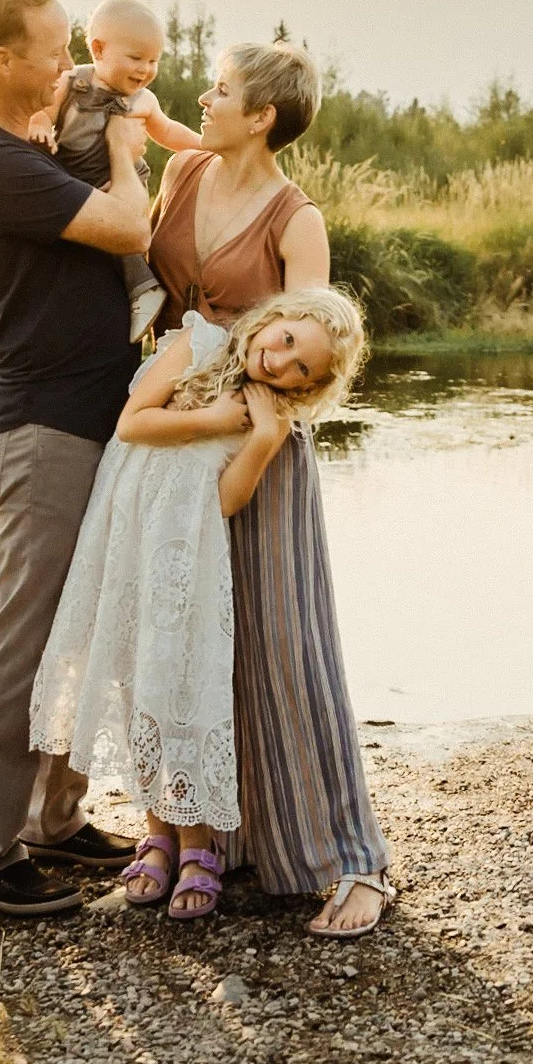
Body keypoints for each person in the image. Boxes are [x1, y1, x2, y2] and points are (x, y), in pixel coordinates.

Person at [148, 39, 394, 938]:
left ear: (262, 117)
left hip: (259, 438)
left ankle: (350, 862)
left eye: (220, 92)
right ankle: (239, 839)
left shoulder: (297, 220)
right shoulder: (180, 175)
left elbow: (310, 345)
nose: (203, 100)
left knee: (285, 642)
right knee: (199, 638)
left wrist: (242, 420)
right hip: (172, 430)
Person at [30, 287, 367, 921]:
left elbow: (227, 501)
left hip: (192, 556)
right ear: (273, 318)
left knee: (187, 683)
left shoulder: (274, 410)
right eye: (288, 340)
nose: (282, 362)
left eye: (303, 369)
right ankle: (156, 836)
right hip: (132, 534)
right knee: (140, 680)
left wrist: (264, 439)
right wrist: (217, 419)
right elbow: (134, 422)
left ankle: (197, 846)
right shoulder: (199, 342)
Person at [0, 0, 150, 918]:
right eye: (57, 48)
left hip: (90, 421)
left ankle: (53, 824)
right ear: (2, 60)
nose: (70, 63)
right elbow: (126, 225)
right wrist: (123, 144)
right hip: (41, 433)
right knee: (21, 644)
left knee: (85, 631)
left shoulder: (26, 145)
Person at [48, 0, 204, 343]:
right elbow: (45, 114)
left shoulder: (143, 100)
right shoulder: (72, 83)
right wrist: (40, 125)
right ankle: (131, 295)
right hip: (73, 177)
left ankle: (145, 292)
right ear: (98, 50)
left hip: (121, 177)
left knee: (127, 233)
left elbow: (167, 130)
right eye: (136, 58)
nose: (145, 69)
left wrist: (205, 145)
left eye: (153, 60)